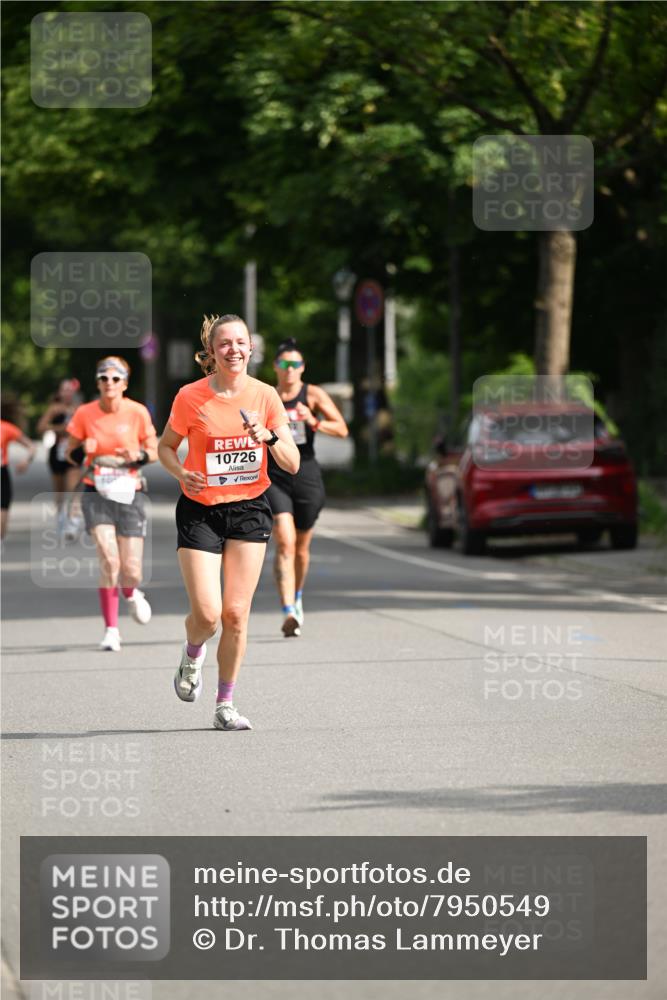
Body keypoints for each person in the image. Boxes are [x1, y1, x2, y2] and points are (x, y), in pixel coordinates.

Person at [158, 314, 299, 732]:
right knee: (208, 614)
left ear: (251, 349)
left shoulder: (266, 396)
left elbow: (291, 462)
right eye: (225, 344)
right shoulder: (190, 397)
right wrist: (181, 472)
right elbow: (165, 447)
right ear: (212, 352)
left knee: (236, 614)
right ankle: (192, 652)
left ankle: (225, 704)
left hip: (249, 508)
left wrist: (268, 437)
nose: (233, 349)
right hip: (200, 508)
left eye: (241, 342)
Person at [64, 356, 158, 651]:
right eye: (103, 378)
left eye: (115, 378)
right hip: (97, 491)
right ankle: (111, 630)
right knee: (109, 560)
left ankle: (131, 592)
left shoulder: (137, 412)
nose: (109, 383)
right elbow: (69, 453)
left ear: (125, 384)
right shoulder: (84, 413)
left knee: (131, 569)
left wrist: (137, 456)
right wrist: (83, 451)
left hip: (130, 492)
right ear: (98, 382)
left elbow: (154, 451)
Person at [266, 337, 348, 637]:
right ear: (275, 366)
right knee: (284, 541)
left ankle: (297, 598)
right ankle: (287, 610)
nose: (290, 370)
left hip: (306, 474)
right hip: (275, 475)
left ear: (302, 368)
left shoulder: (312, 394)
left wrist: (313, 421)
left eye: (295, 364)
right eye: (284, 364)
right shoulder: (267, 396)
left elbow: (341, 428)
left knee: (301, 548)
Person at [37, 378, 84, 537]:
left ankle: (73, 521)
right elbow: (41, 427)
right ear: (59, 392)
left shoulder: (79, 410)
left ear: (74, 392)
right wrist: (59, 429)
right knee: (59, 491)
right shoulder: (54, 409)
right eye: (64, 390)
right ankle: (61, 517)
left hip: (73, 453)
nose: (67, 393)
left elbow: (87, 429)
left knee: (73, 488)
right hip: (56, 454)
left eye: (70, 390)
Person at [1, 398, 37, 540]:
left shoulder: (6, 428)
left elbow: (31, 447)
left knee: (2, 517)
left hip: (1, 474)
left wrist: (26, 461)